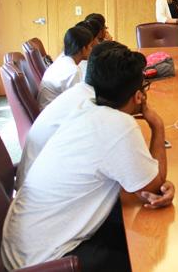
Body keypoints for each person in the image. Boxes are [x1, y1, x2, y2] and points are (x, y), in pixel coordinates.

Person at [1, 45, 174, 271]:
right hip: (47, 261)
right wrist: (157, 125)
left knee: (132, 227)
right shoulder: (119, 125)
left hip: (24, 247)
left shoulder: (85, 106)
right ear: (138, 96)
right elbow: (155, 185)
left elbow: (145, 187)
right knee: (150, 254)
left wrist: (149, 179)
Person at [15, 41, 123, 189]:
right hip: (42, 184)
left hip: (35, 177)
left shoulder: (78, 89)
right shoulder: (84, 96)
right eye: (91, 45)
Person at [37, 26, 93, 110]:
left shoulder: (62, 58)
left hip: (49, 109)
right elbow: (77, 104)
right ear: (83, 48)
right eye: (90, 46)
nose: (92, 49)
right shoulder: (73, 71)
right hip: (53, 114)